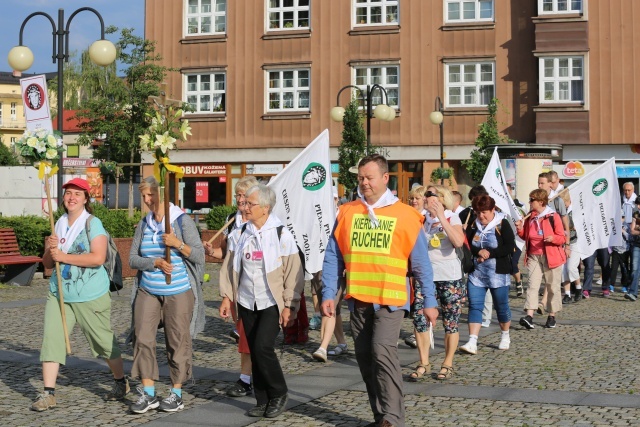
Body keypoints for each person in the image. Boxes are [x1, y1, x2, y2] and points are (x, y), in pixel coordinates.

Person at [321, 154, 437, 427]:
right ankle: (380, 415)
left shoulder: (406, 216)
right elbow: (332, 256)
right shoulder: (348, 212)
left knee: (382, 352)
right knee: (365, 359)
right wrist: (329, 292)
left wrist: (429, 301)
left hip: (391, 299)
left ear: (385, 178)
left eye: (369, 178)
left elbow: (421, 263)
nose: (364, 183)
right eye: (360, 178)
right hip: (359, 298)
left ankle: (393, 420)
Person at [32, 178, 128, 412]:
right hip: (59, 293)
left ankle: (120, 381)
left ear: (86, 198)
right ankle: (48, 393)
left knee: (103, 342)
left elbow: (97, 257)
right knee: (51, 340)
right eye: (68, 194)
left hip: (90, 294)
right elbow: (46, 263)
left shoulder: (93, 224)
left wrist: (64, 256)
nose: (72, 197)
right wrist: (50, 249)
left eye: (77, 193)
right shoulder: (59, 224)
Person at [219, 184, 305, 419]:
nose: (244, 207)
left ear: (265, 208)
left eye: (250, 203)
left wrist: (290, 304)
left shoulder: (281, 234)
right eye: (244, 203)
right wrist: (227, 296)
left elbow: (293, 272)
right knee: (253, 350)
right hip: (246, 300)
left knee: (262, 347)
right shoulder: (240, 233)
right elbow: (229, 267)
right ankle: (262, 399)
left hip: (270, 302)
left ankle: (279, 393)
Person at [128, 176, 205, 414]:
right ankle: (148, 392)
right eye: (144, 196)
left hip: (178, 291)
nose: (147, 200)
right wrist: (155, 262)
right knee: (142, 338)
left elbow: (199, 256)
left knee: (177, 341)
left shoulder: (181, 221)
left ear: (162, 195)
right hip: (148, 290)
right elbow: (132, 259)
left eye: (151, 195)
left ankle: (176, 392)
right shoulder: (144, 224)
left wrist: (177, 244)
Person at [204, 176, 258, 398]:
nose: (240, 200)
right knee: (246, 337)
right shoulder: (232, 220)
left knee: (256, 340)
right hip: (238, 288)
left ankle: (256, 378)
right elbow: (225, 256)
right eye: (237, 195)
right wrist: (210, 252)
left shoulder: (261, 222)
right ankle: (247, 379)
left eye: (244, 196)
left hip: (258, 289)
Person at [408, 185, 464, 380]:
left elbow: (458, 242)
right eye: (426, 195)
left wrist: (441, 217)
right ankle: (423, 362)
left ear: (442, 198)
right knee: (419, 319)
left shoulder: (451, 216)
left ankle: (447, 363)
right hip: (425, 276)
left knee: (450, 321)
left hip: (449, 275)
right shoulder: (420, 218)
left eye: (430, 194)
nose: (426, 197)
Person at [459, 195, 515, 354]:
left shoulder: (502, 223)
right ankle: (472, 341)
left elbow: (510, 246)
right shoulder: (473, 224)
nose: (481, 216)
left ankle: (505, 335)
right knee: (475, 305)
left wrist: (490, 253)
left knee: (501, 306)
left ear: (492, 210)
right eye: (478, 213)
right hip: (477, 273)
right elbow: (468, 244)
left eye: (484, 212)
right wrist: (478, 252)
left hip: (497, 273)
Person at [517, 189, 566, 330]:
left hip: (551, 255)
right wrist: (520, 229)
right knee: (532, 285)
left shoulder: (553, 216)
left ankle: (552, 316)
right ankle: (529, 316)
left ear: (540, 202)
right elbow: (525, 235)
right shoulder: (530, 217)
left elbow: (562, 237)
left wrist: (553, 238)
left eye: (532, 200)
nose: (530, 202)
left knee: (552, 287)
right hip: (533, 255)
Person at [312, 188, 349, 362]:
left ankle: (323, 346)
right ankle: (341, 342)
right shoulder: (316, 215)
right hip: (320, 266)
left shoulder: (343, 215)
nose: (331, 201)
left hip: (339, 269)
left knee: (330, 303)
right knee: (332, 306)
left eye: (334, 198)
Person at [403, 184, 429, 350]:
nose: (413, 201)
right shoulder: (407, 216)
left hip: (421, 263)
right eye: (411, 198)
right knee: (414, 300)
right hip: (408, 264)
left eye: (417, 198)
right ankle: (419, 331)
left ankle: (418, 333)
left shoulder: (427, 218)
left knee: (420, 300)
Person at [558, 191, 583, 304]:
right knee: (563, 270)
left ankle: (578, 288)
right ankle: (567, 294)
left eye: (564, 203)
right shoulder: (558, 212)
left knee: (571, 267)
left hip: (574, 242)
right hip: (562, 243)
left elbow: (578, 226)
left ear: (569, 201)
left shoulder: (575, 212)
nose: (562, 206)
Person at [626, 198, 640, 302]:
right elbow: (632, 230)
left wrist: (638, 228)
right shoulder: (635, 214)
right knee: (635, 269)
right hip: (637, 245)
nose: (638, 207)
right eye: (637, 204)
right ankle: (632, 292)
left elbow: (636, 229)